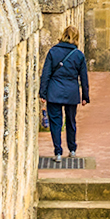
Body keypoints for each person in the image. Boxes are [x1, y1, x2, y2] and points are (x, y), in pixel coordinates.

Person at [39, 25, 89, 158]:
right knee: (71, 121)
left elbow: (46, 74)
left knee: (56, 122)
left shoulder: (53, 52)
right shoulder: (78, 55)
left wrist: (42, 93)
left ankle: (58, 151)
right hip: (71, 92)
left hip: (54, 91)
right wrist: (85, 96)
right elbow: (83, 77)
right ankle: (72, 149)